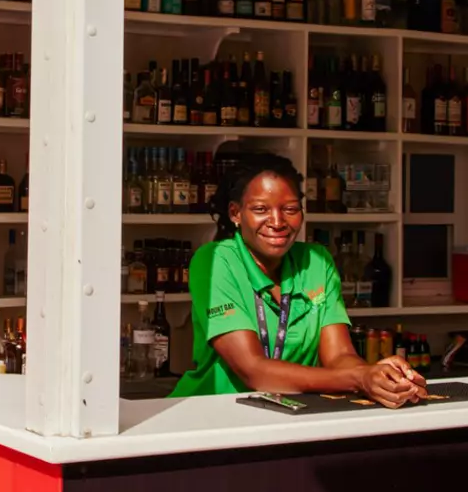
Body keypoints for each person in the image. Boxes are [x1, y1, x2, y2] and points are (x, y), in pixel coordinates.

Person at [170, 152, 426, 404]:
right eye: (260, 209)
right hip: (210, 415)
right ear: (236, 213)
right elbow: (253, 370)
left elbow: (339, 357)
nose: (278, 221)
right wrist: (360, 377)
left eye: (290, 209)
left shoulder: (317, 261)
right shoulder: (215, 260)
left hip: (290, 414)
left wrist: (379, 376)